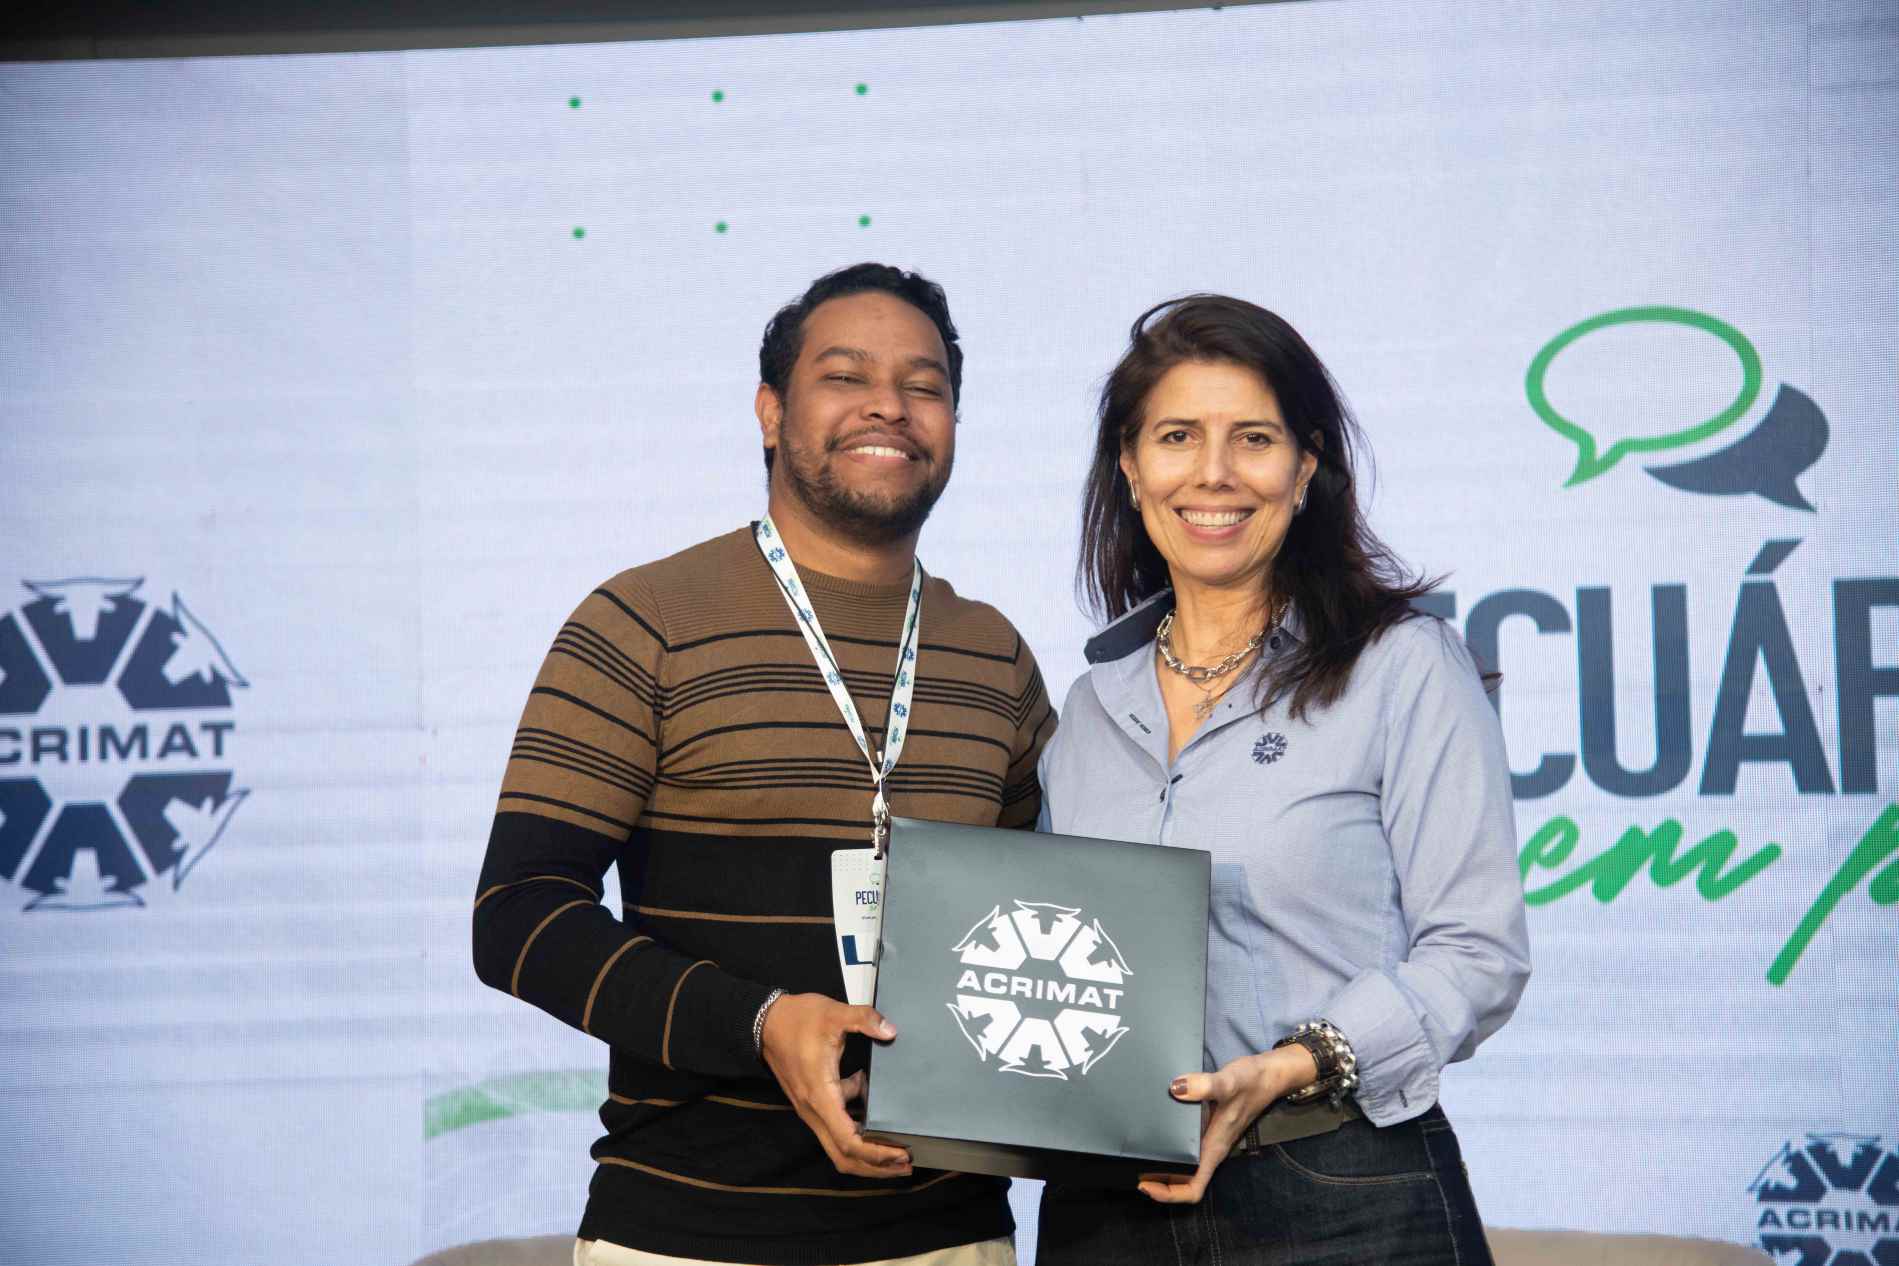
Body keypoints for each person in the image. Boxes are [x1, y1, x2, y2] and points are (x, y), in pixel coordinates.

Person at [472, 262, 1055, 1266]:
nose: (888, 405)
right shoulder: (642, 622)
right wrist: (760, 1024)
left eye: (923, 386)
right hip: (688, 1235)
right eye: (846, 376)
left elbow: (1040, 930)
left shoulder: (991, 654)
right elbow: (516, 916)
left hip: (953, 1236)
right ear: (771, 412)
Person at [1033, 294, 1530, 1264]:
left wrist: (1301, 1061)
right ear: (1130, 466)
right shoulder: (1089, 709)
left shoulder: (1403, 667)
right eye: (1177, 436)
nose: (1213, 473)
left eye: (1252, 439)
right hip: (1108, 1205)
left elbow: (1478, 952)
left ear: (1304, 468)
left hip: (1340, 1184)